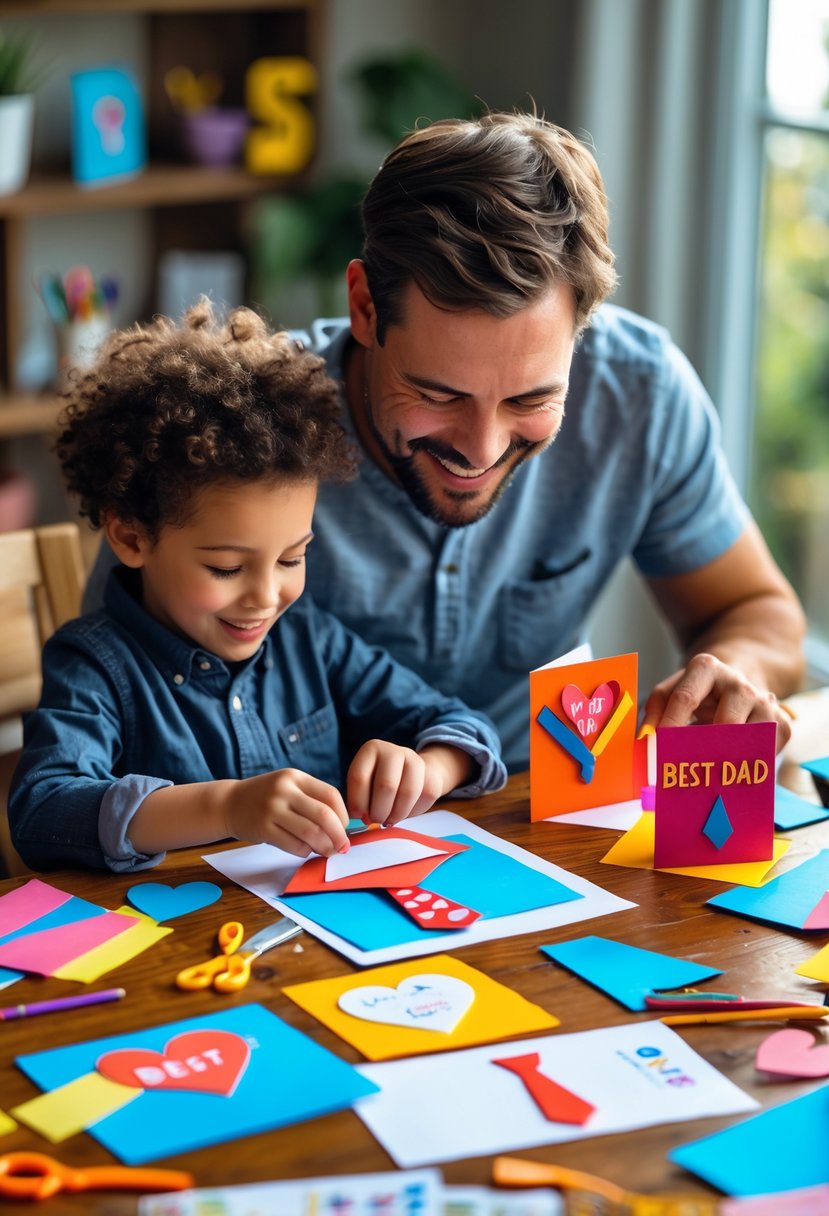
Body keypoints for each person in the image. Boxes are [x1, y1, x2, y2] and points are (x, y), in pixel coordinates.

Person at [84, 110, 806, 772]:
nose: (480, 449)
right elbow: (110, 696)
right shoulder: (235, 434)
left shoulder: (640, 394)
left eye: (531, 399)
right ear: (364, 307)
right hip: (287, 851)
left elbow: (758, 612)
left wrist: (734, 668)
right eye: (437, 395)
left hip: (531, 822)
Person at [9, 303, 506, 873]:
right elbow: (41, 809)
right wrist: (226, 806)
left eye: (293, 558)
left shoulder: (307, 637)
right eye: (226, 568)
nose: (267, 597)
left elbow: (463, 724)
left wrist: (429, 770)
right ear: (130, 536)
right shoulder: (95, 663)